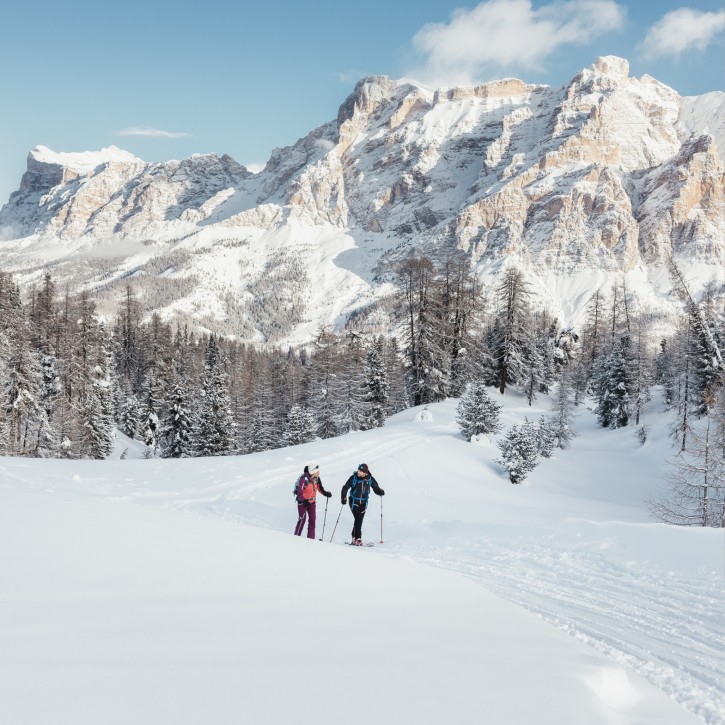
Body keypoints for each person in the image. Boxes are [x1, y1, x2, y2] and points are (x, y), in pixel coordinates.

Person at [340, 463, 384, 545]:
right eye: (358, 470)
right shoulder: (353, 478)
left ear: (365, 473)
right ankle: (358, 539)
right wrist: (343, 497)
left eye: (360, 471)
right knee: (358, 519)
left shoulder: (370, 479)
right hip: (353, 501)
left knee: (359, 520)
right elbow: (345, 487)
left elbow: (376, 488)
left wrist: (380, 492)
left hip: (364, 502)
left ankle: (353, 536)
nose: (358, 472)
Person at [294, 464, 331, 539]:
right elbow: (299, 492)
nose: (318, 473)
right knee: (302, 520)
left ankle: (311, 540)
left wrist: (325, 493)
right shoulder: (303, 479)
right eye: (317, 471)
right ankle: (296, 537)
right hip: (303, 502)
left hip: (312, 502)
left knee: (312, 521)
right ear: (313, 472)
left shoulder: (317, 479)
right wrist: (304, 500)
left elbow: (320, 488)